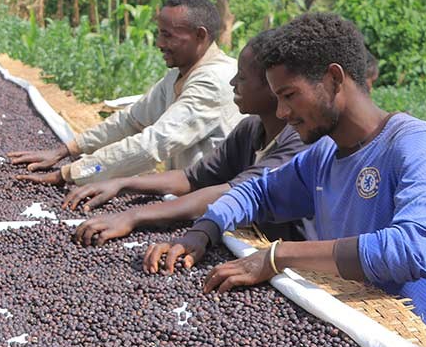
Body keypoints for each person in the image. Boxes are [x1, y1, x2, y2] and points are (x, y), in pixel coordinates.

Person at [143, 13, 426, 323]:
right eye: (278, 98)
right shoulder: (324, 154)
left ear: (333, 79)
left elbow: (413, 248)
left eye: (290, 95)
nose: (282, 112)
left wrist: (279, 255)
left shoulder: (412, 145)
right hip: (351, 323)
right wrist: (202, 231)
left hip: (407, 345)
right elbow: (258, 192)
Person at [68, 29, 307, 247]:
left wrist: (134, 216)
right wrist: (122, 183)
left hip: (293, 264)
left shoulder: (298, 142)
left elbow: (234, 192)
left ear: (273, 86)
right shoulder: (251, 128)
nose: (233, 83)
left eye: (242, 78)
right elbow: (192, 178)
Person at [10, 0, 244, 196]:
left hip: (214, 201)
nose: (159, 44)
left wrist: (71, 173)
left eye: (168, 35)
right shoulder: (179, 75)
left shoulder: (212, 81)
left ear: (200, 36)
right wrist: (66, 150)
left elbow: (152, 145)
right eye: (159, 34)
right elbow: (131, 120)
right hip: (185, 192)